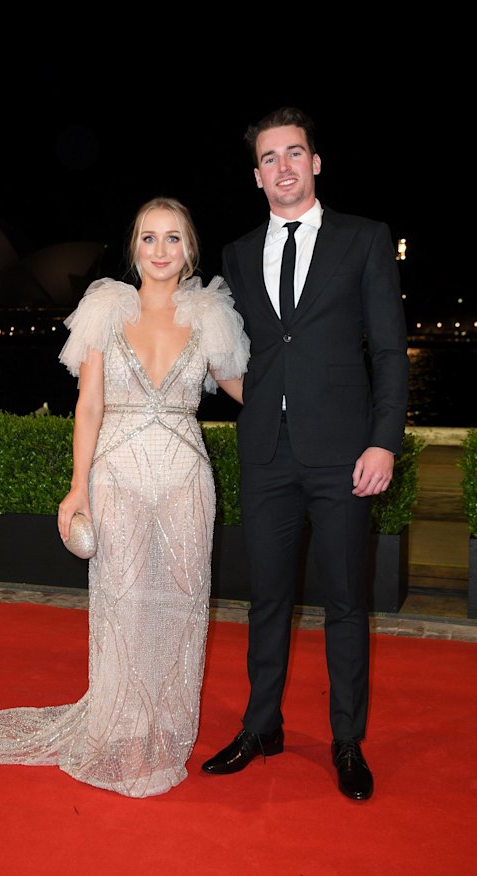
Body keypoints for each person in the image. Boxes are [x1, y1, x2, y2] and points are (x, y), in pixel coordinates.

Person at [0, 196, 249, 798]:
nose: (160, 250)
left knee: (179, 604)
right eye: (149, 238)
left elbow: (248, 388)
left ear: (190, 250)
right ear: (134, 249)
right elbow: (89, 406)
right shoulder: (105, 309)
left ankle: (167, 726)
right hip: (116, 477)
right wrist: (77, 487)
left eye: (173, 238)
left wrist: (320, 406)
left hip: (186, 482)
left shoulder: (210, 318)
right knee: (121, 606)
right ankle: (120, 725)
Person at [201, 107, 409, 801]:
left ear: (315, 163)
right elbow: (237, 353)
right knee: (266, 599)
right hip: (266, 455)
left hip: (345, 454)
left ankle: (347, 741)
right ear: (256, 174)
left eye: (294, 153)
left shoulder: (364, 239)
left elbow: (386, 351)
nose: (283, 167)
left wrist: (384, 440)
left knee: (346, 602)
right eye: (269, 158)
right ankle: (263, 726)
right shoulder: (234, 254)